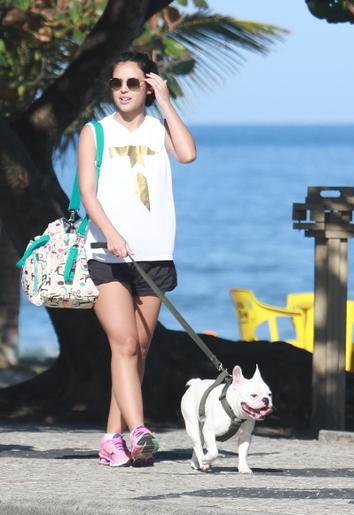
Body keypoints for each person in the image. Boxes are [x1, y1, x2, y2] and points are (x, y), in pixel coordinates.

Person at [78, 51, 196, 467]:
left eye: (132, 83)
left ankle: (113, 439)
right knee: (125, 343)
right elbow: (88, 193)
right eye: (116, 83)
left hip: (155, 254)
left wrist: (165, 102)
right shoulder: (96, 132)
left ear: (147, 85)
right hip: (106, 256)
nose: (123, 90)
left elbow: (187, 154)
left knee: (138, 351)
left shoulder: (159, 128)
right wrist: (110, 233)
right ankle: (140, 430)